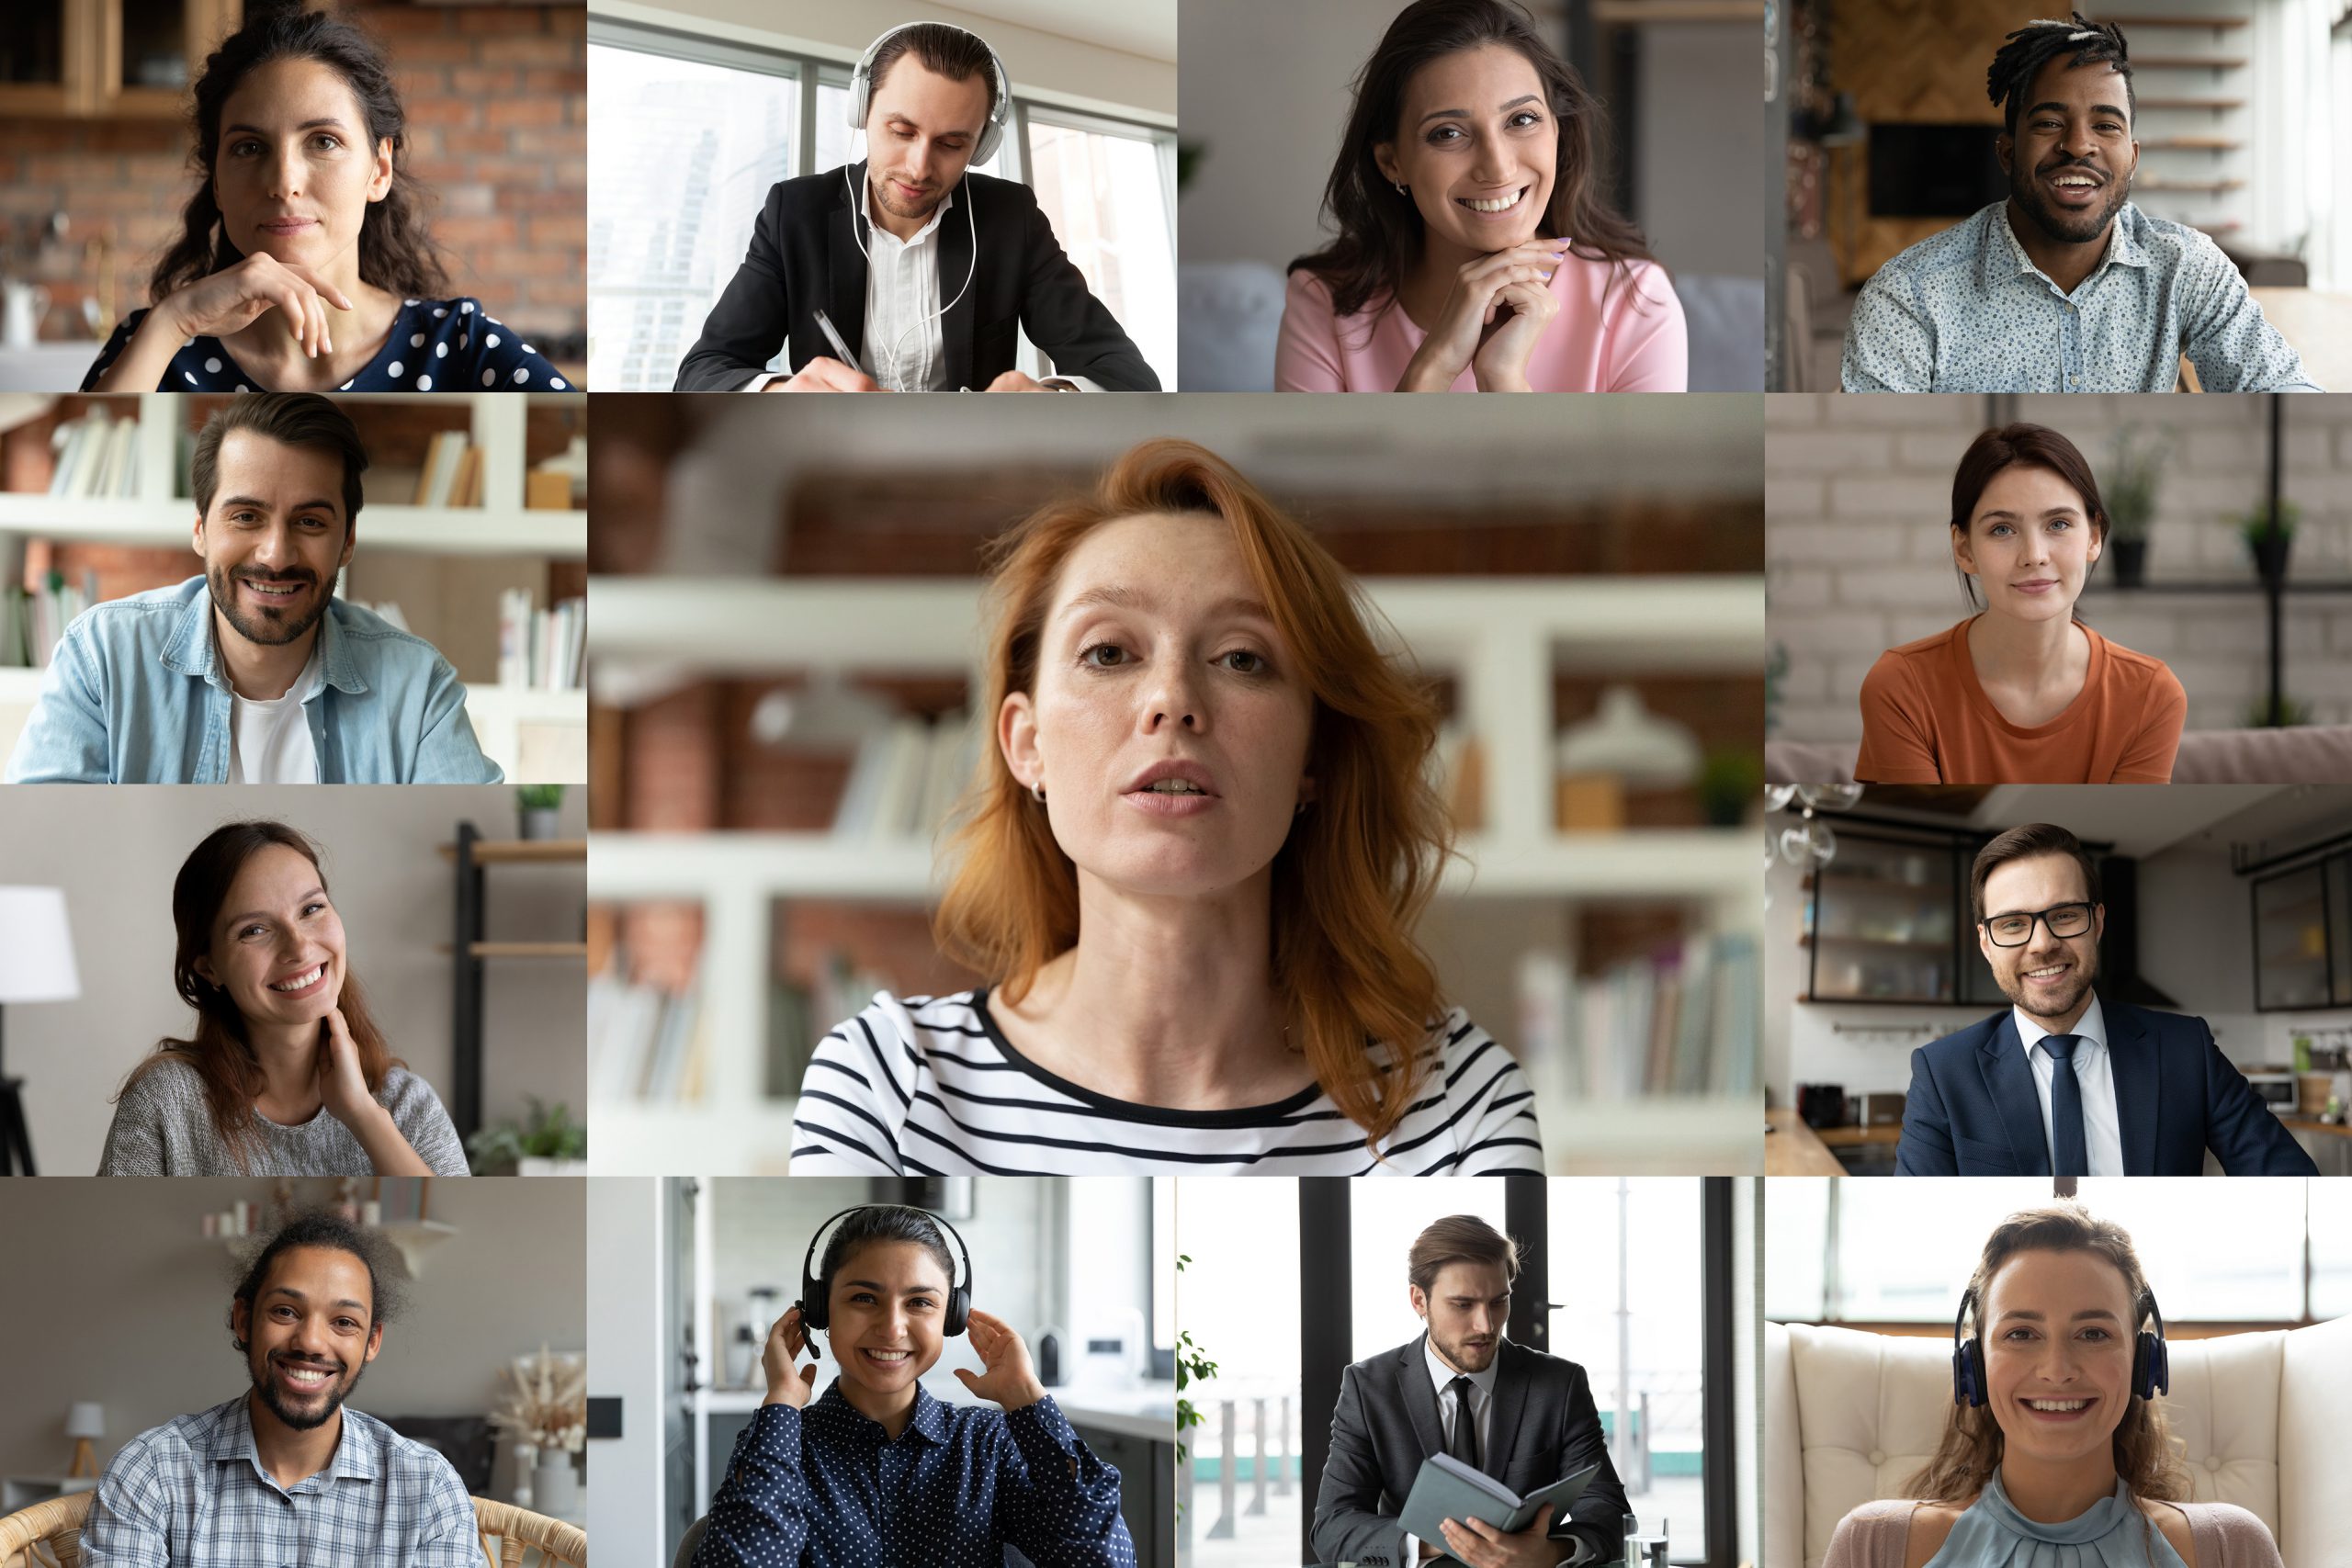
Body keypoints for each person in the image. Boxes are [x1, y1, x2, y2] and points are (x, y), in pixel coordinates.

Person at [788, 439, 1543, 1176]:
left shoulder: (1457, 1107)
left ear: (1314, 755)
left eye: (1243, 658)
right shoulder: (890, 1088)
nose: (1172, 701)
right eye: (1109, 653)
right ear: (1027, 744)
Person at [6, 393, 503, 784]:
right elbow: (39, 847)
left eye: (309, 522)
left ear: (347, 541)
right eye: (247, 517)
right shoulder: (102, 656)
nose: (275, 555)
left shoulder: (417, 687)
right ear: (201, 529)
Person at [80, 5, 568, 394]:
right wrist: (173, 321)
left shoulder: (464, 346)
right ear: (216, 184)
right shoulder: (156, 343)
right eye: (249, 148)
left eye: (323, 142)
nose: (283, 181)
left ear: (379, 169)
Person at [1841, 14, 2318, 393]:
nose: (2078, 145)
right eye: (2049, 122)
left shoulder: (2186, 268)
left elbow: (2279, 388)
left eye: (2106, 125)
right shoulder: (1908, 298)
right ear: (2007, 153)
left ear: (2132, 158)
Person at [673, 22, 1158, 392]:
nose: (919, 168)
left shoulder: (1012, 220)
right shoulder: (794, 212)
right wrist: (780, 390)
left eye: (951, 143)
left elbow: (1124, 371)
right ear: (862, 111)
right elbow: (705, 369)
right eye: (901, 132)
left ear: (981, 145)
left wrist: (1055, 399)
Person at [1823, 1203, 2285, 1568]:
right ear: (1975, 1365)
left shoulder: (2230, 1547)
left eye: (2094, 1334)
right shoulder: (1875, 1544)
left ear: (2143, 1362)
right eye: (2021, 1334)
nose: (2057, 1369)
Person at [690, 1205, 1134, 1568]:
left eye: (920, 1302)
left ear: (951, 1317)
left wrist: (1028, 1401)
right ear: (821, 1311)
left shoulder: (988, 1445)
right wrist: (781, 1403)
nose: (892, 1328)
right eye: (864, 1298)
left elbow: (1102, 1560)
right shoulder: (782, 1446)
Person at [1275, 0, 1684, 393]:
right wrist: (1434, 364)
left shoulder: (1635, 299)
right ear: (1391, 161)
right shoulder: (1324, 302)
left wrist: (1502, 377)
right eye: (1448, 133)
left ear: (1557, 132)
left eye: (1522, 119)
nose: (1499, 168)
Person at [1895, 823, 2319, 1177]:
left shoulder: (2186, 1049)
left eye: (2064, 915)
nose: (2042, 944)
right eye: (2012, 924)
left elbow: (2293, 1182)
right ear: (1986, 942)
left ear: (2097, 922)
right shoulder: (1942, 1072)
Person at [79, 1210, 479, 1564]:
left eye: (343, 1321)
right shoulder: (152, 1470)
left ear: (372, 1341)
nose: (311, 1343)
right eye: (286, 1311)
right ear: (243, 1319)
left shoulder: (427, 1488)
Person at [97, 819, 469, 1177]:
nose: (299, 947)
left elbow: (453, 1231)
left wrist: (363, 1114)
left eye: (311, 909)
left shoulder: (408, 1104)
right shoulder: (165, 1102)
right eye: (254, 930)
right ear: (209, 968)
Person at [1856, 423, 2185, 784]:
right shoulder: (1900, 686)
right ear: (1964, 549)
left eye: (2058, 524)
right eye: (2002, 529)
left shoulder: (2152, 695)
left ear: (2094, 537)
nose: (2034, 556)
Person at [1313, 1214, 1629, 1567]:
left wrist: (1550, 1552)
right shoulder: (1369, 1387)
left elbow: (1609, 1510)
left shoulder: (1560, 1384)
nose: (1487, 1325)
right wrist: (1443, 1542)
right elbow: (1333, 1526)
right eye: (1463, 1305)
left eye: (1498, 1301)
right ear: (1419, 1300)